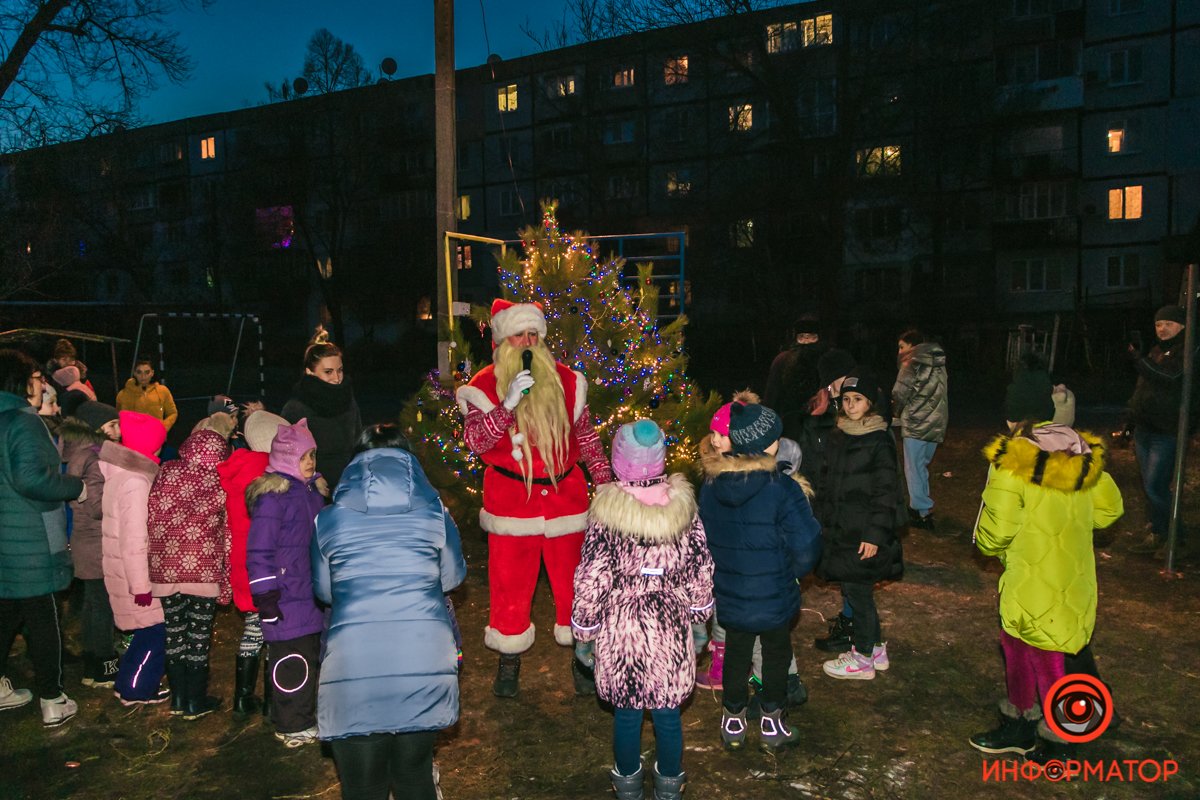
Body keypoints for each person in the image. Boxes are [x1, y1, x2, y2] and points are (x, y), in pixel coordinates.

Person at [456, 299, 613, 697]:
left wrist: (605, 482)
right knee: (509, 586)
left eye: (533, 335)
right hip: (511, 503)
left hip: (567, 501)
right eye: (518, 334)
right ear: (501, 340)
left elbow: (587, 438)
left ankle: (583, 656)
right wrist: (506, 406)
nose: (527, 342)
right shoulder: (482, 386)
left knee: (577, 586)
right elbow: (476, 442)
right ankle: (509, 660)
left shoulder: (568, 381)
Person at [312, 424, 467, 800]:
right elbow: (452, 577)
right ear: (410, 463)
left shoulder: (328, 519)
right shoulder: (435, 513)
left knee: (363, 786)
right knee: (414, 776)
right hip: (423, 655)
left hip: (354, 661)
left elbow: (324, 591)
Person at [969, 401, 1123, 764]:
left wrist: (989, 544)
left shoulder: (1012, 464)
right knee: (1036, 650)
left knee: (1035, 656)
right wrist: (1071, 524)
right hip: (1073, 578)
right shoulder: (1080, 453)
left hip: (1030, 579)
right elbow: (1110, 509)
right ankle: (1027, 728)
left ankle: (1054, 741)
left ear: (1011, 419)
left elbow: (995, 532)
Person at [573, 420, 713, 800]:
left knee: (627, 712)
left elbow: (592, 578)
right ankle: (669, 785)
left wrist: (584, 633)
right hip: (669, 622)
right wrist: (700, 620)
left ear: (619, 461)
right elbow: (699, 568)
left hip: (622, 627)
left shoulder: (606, 514)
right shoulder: (683, 509)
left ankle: (628, 783)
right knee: (668, 714)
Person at [699, 403, 822, 751]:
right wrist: (792, 572)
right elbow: (807, 542)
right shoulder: (782, 488)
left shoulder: (711, 485)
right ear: (766, 445)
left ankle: (733, 720)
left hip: (731, 591)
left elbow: (704, 538)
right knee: (776, 653)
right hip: (774, 592)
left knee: (736, 651)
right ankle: (772, 721)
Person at [0, 350, 87, 726]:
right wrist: (74, 486)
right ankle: (53, 697)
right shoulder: (23, 422)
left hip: (6, 539)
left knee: (5, 615)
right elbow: (31, 479)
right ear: (19, 381)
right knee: (43, 619)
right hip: (31, 541)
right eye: (37, 376)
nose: (43, 384)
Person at [816, 369, 905, 681]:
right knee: (858, 590)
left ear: (871, 404)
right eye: (847, 400)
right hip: (842, 529)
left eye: (858, 400)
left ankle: (863, 658)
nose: (851, 405)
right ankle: (876, 648)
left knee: (858, 593)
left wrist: (874, 534)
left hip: (862, 533)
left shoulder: (879, 439)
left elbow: (886, 491)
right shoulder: (840, 433)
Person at [246, 418, 327, 747]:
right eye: (303, 456)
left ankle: (301, 716)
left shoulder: (312, 494)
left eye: (313, 456)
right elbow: (259, 550)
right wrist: (265, 595)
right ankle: (291, 725)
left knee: (307, 656)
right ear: (285, 458)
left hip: (308, 593)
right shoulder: (273, 497)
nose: (310, 463)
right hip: (284, 596)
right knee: (290, 661)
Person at [148, 424, 233, 720]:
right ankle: (196, 701)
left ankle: (179, 698)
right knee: (198, 636)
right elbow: (227, 532)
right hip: (204, 570)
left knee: (174, 632)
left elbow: (151, 514)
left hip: (165, 568)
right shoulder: (219, 481)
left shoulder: (168, 471)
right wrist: (227, 580)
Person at [216, 410, 289, 717]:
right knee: (273, 634)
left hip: (242, 564)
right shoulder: (270, 476)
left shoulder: (236, 471)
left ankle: (243, 697)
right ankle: (274, 701)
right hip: (268, 564)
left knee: (252, 629)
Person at [99, 411, 170, 705]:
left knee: (145, 632)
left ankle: (126, 682)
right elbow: (134, 539)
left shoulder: (123, 475)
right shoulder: (136, 483)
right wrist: (142, 585)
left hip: (124, 571)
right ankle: (135, 689)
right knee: (156, 633)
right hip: (134, 576)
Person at [60, 402, 123, 690]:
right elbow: (99, 506)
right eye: (111, 425)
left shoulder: (77, 451)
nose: (117, 431)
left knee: (91, 605)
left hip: (83, 540)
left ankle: (91, 665)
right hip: (96, 540)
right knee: (103, 607)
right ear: (97, 428)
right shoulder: (95, 458)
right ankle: (105, 668)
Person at [1127, 305, 1194, 559]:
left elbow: (1169, 377)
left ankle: (1175, 538)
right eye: (1158, 324)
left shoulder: (1187, 352)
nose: (1162, 329)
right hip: (1146, 429)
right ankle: (1160, 532)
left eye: (1168, 323)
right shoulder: (1157, 351)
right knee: (1151, 485)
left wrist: (1138, 360)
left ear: (1183, 326)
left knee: (1156, 485)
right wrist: (1130, 419)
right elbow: (1143, 388)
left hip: (1167, 430)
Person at [281, 327, 363, 489]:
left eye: (339, 370)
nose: (337, 378)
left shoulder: (348, 399)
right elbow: (287, 454)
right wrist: (312, 478)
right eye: (328, 372)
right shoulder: (296, 407)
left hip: (350, 483)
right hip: (312, 487)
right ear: (310, 372)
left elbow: (358, 441)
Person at [891, 330, 948, 531]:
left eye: (901, 346)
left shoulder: (911, 362)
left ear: (911, 346)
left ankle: (920, 512)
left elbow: (900, 392)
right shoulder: (939, 363)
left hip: (916, 423)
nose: (899, 351)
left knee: (913, 468)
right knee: (921, 466)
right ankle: (923, 506)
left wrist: (894, 413)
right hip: (936, 422)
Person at [763, 315, 827, 444]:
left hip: (821, 425)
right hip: (789, 427)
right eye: (802, 338)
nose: (807, 343)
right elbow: (772, 397)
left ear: (818, 338)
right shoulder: (782, 361)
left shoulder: (827, 361)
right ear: (796, 339)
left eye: (812, 338)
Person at [116, 357, 179, 433]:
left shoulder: (162, 391)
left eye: (147, 372)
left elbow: (172, 413)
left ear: (152, 373)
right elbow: (120, 418)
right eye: (139, 372)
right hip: (133, 438)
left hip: (157, 437)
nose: (143, 376)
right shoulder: (123, 394)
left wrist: (163, 428)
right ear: (134, 373)